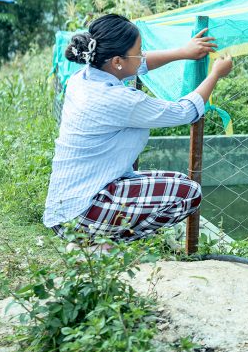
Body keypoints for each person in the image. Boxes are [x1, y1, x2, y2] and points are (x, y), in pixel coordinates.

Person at [43, 13, 233, 246]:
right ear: (116, 61)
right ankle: (101, 243)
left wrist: (183, 52)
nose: (142, 55)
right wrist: (215, 74)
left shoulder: (82, 78)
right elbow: (184, 111)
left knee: (176, 181)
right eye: (139, 50)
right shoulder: (120, 100)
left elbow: (137, 63)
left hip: (65, 206)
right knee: (188, 193)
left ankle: (93, 240)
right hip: (84, 210)